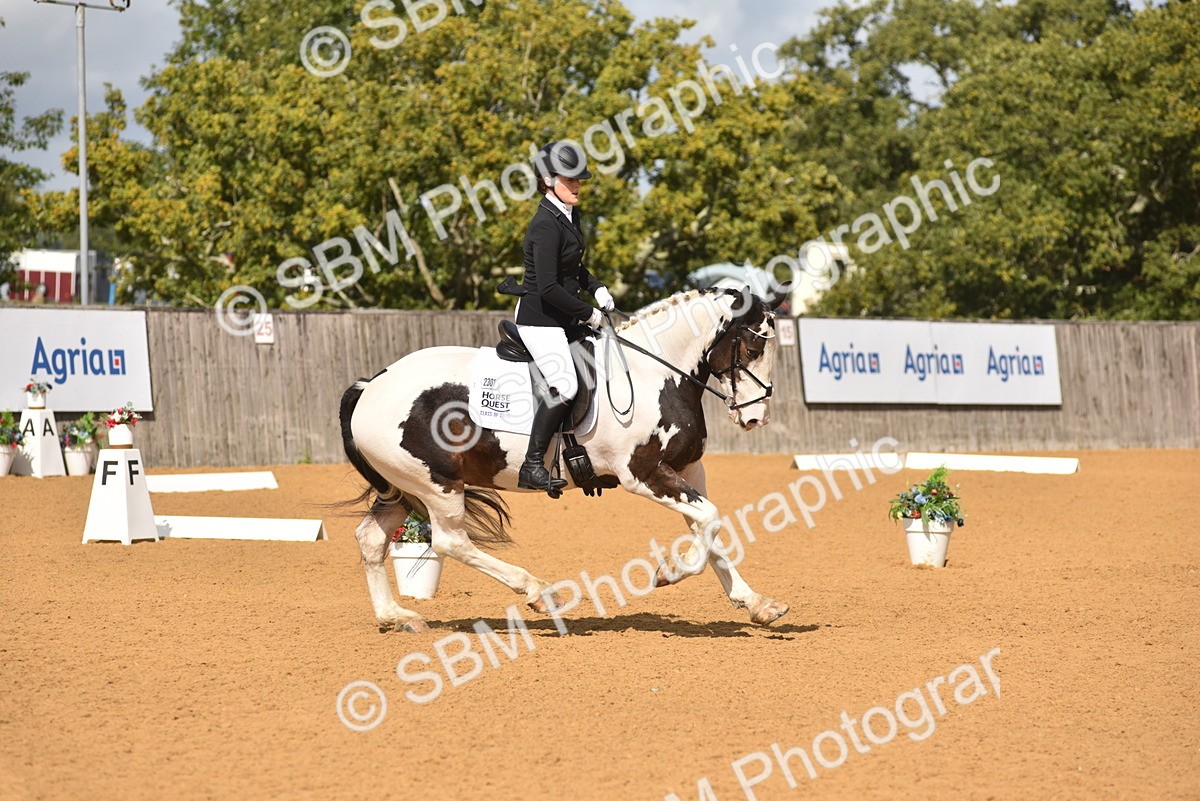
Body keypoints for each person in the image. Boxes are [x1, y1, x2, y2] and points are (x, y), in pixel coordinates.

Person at [506, 141, 615, 495]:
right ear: (549, 180)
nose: (578, 185)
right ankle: (532, 465)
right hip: (540, 318)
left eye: (579, 179)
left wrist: (595, 286)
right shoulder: (543, 226)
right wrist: (589, 313)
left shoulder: (568, 214)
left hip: (562, 315)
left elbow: (574, 267)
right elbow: (549, 287)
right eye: (571, 180)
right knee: (566, 384)